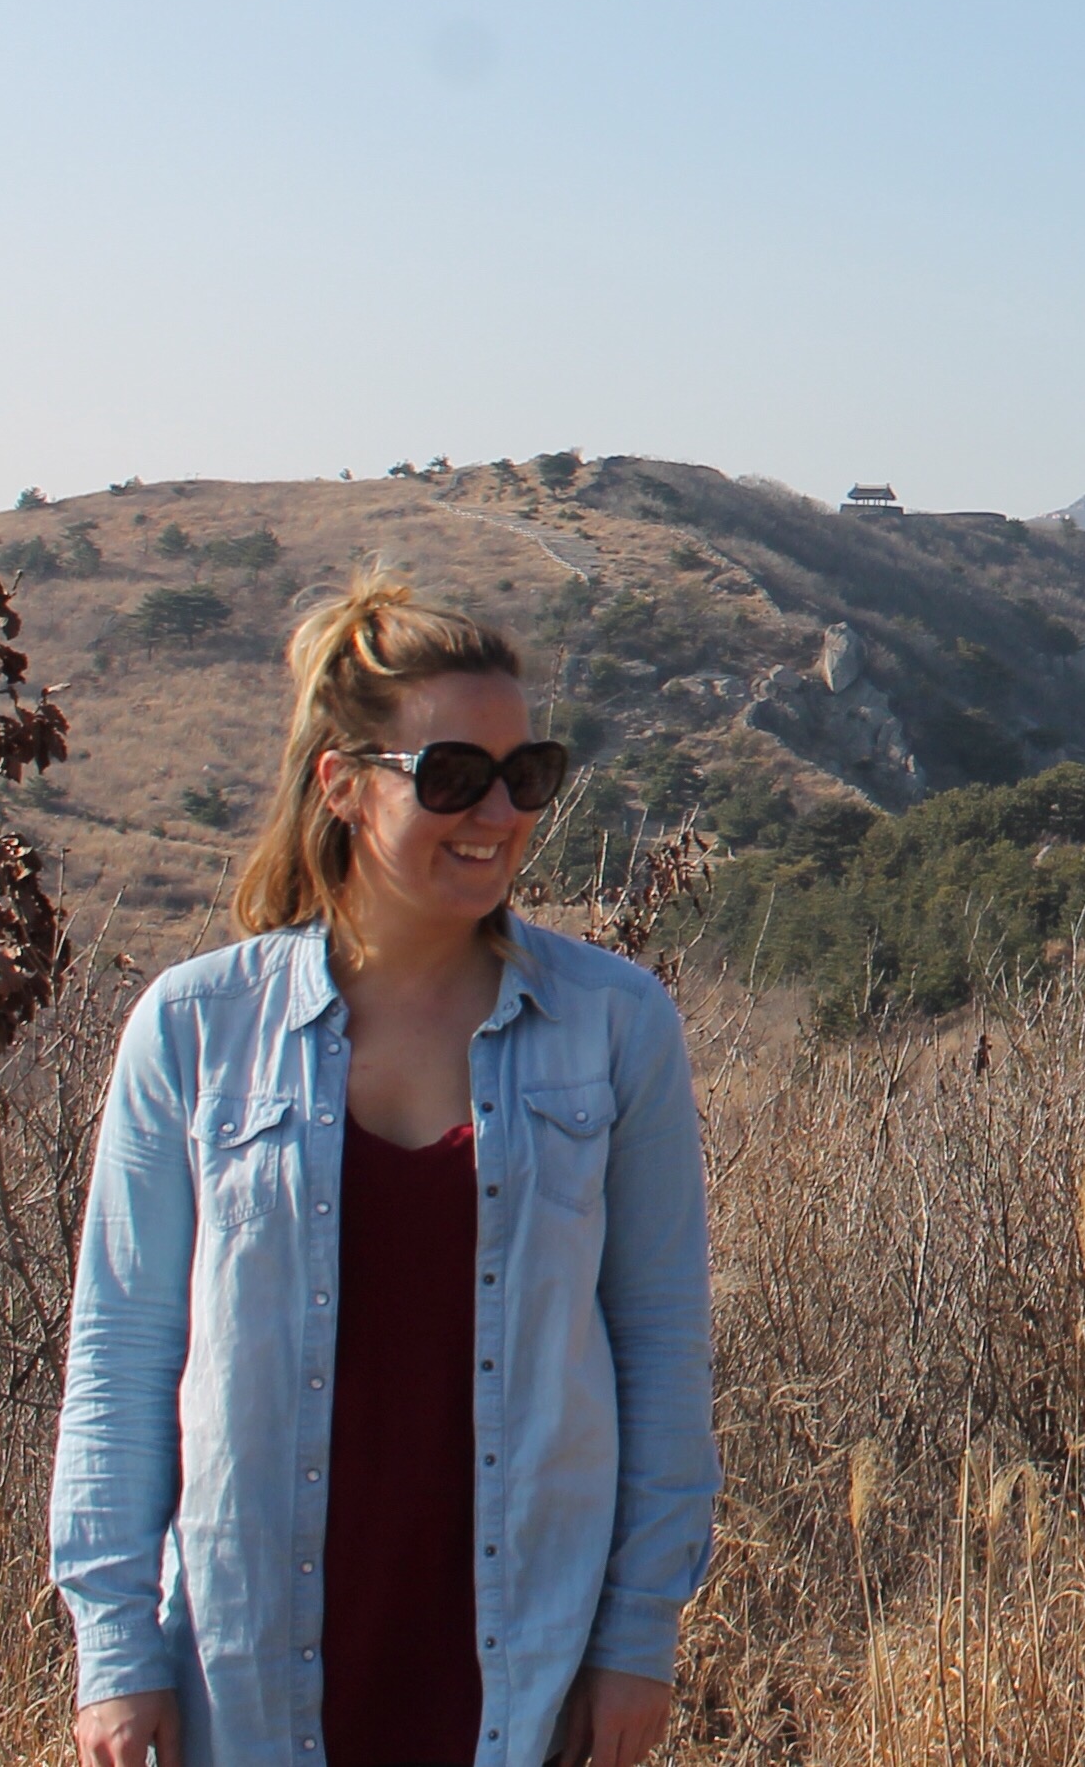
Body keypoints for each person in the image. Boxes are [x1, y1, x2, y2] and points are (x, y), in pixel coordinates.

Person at [52, 571, 717, 1767]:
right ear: (343, 783)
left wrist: (638, 1636)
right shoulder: (195, 1030)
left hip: (526, 1663)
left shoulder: (615, 1026)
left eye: (527, 773)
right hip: (247, 1669)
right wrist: (115, 1652)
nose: (498, 811)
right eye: (453, 774)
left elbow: (661, 1346)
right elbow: (120, 1357)